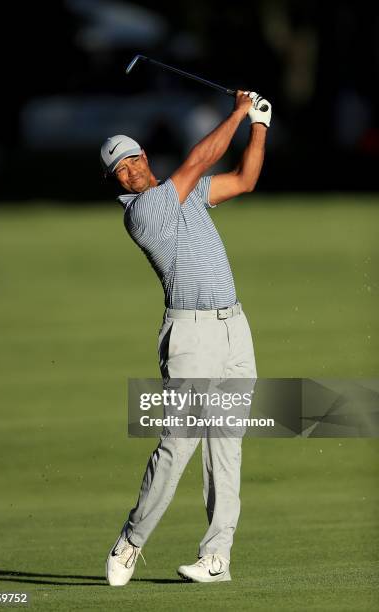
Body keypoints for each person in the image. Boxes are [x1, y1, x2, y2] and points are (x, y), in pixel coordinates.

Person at [100, 90, 271, 585]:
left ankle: (216, 557)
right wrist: (238, 110)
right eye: (119, 172)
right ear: (117, 183)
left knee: (227, 444)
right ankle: (131, 542)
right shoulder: (142, 211)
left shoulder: (188, 192)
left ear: (143, 157)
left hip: (234, 328)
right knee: (178, 444)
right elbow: (200, 158)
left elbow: (245, 180)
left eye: (131, 161)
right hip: (190, 335)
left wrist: (260, 124)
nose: (128, 173)